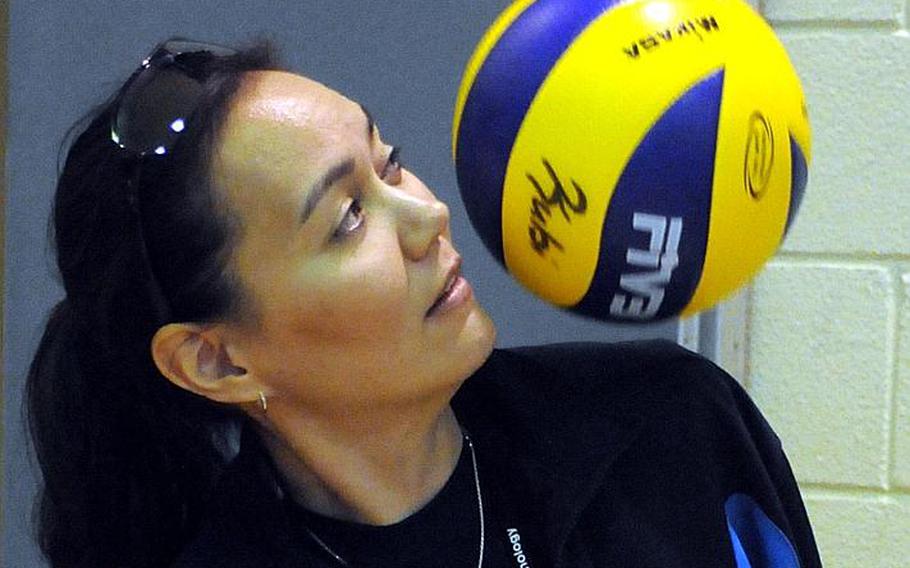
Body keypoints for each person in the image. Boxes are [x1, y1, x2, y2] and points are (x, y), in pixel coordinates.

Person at [27, 38, 822, 568]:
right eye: (347, 218)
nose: (428, 215)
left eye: (391, 162)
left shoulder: (672, 426)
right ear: (217, 359)